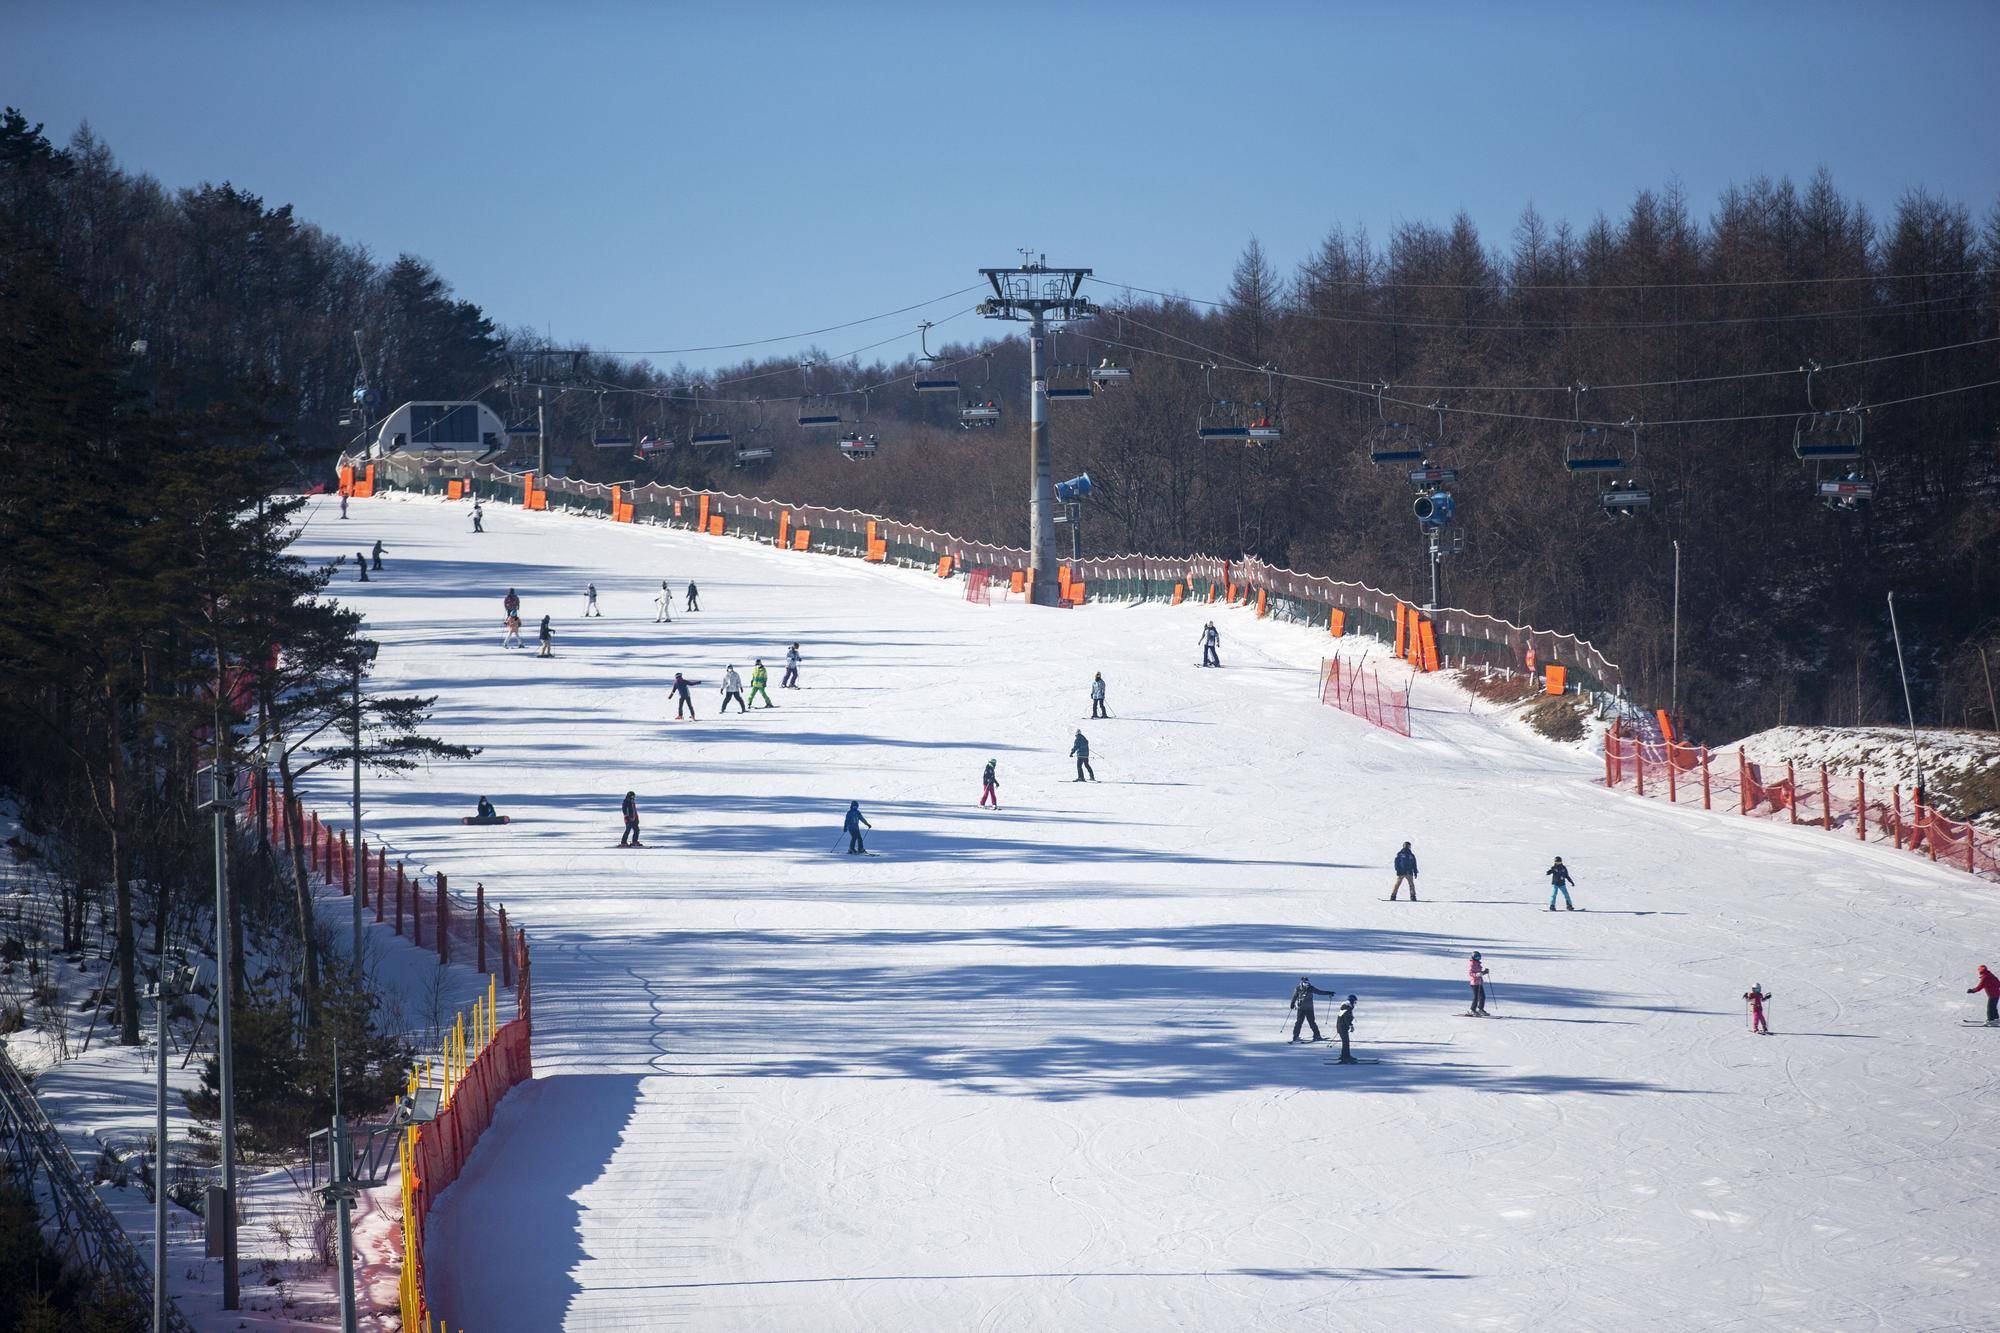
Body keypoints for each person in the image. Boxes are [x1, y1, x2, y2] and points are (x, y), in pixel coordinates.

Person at [1289, 975, 1336, 1043]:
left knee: (1304, 1022)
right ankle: (1313, 1035)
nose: (1305, 982)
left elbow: (1319, 992)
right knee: (1305, 1022)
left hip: (1305, 1008)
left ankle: (1299, 1036)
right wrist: (1292, 1003)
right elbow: (1295, 996)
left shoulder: (1304, 988)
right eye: (1305, 981)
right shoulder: (1304, 988)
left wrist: (1328, 992)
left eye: (1306, 981)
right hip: (1305, 1008)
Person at [1334, 995, 1359, 1063]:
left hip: (1342, 1027)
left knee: (1345, 1042)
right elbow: (1346, 1018)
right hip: (1342, 1027)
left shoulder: (1345, 1007)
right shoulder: (1347, 1007)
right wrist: (1350, 1025)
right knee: (1346, 1042)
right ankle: (1345, 1057)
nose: (1355, 1004)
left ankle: (1344, 1056)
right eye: (1354, 1002)